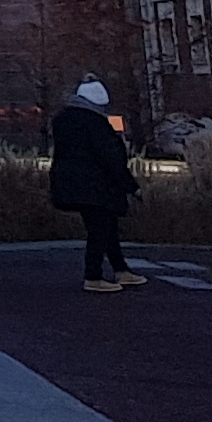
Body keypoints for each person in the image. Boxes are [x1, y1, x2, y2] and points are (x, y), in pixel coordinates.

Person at [49, 77, 140, 291]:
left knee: (104, 227)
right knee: (101, 229)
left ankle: (121, 270)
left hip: (71, 183)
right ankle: (94, 276)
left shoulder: (63, 122)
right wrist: (131, 185)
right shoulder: (96, 124)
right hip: (97, 185)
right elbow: (111, 158)